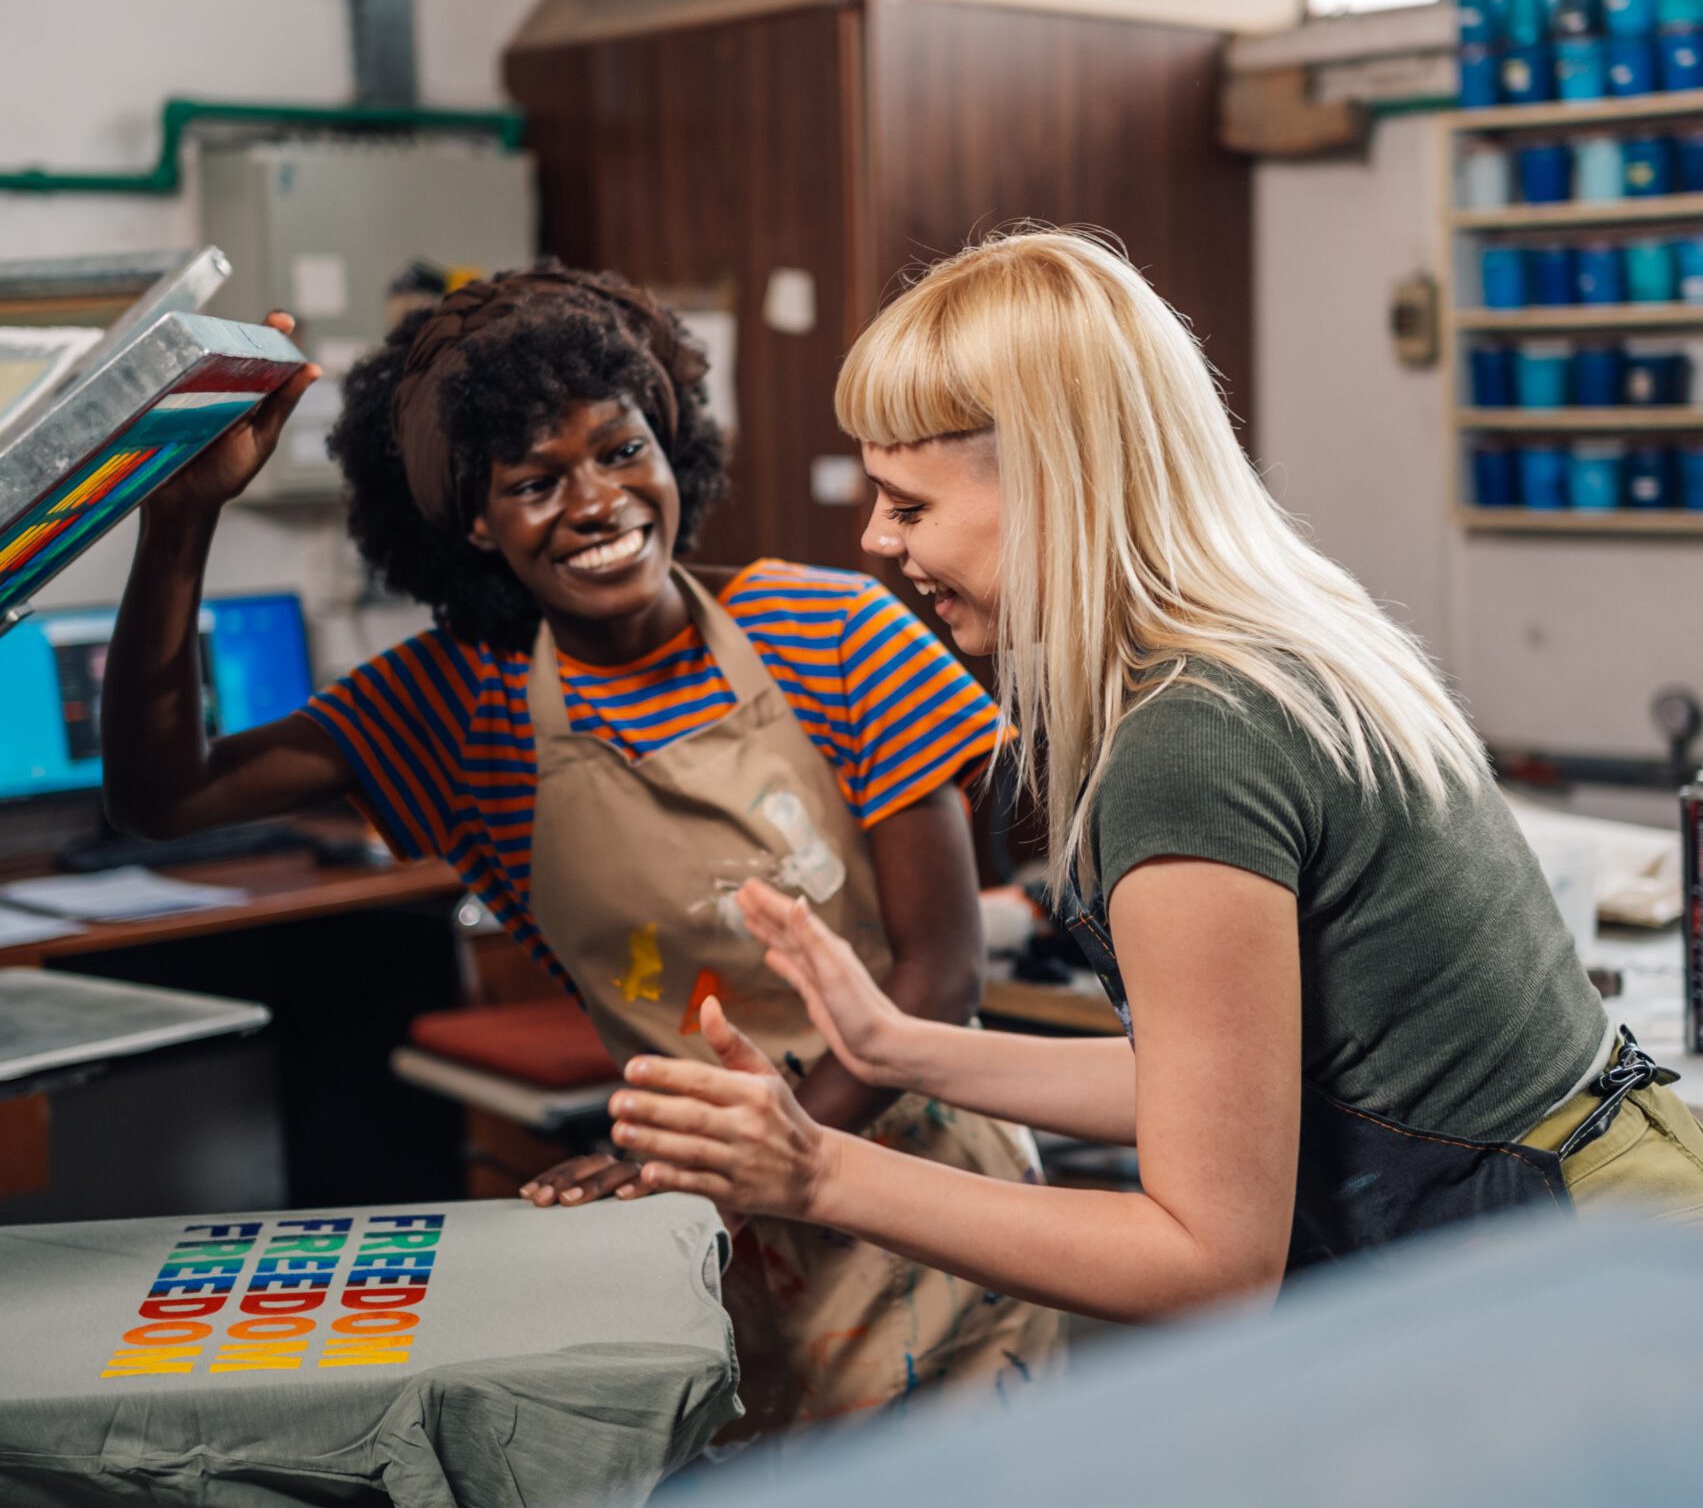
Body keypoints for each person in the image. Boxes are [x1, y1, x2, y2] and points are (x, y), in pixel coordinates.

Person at [604, 228, 1703, 1324]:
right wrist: (900, 1047)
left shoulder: (1189, 741)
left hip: (1571, 1285)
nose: (876, 539)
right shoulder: (1271, 633)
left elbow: (1206, 1261)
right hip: (1611, 1225)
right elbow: (1218, 1086)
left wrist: (816, 1172)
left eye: (909, 505)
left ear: (1050, 483)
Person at [100, 261, 1061, 1426]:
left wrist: (744, 1155)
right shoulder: (459, 709)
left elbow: (938, 975)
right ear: (473, 519)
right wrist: (179, 510)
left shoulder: (829, 627)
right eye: (533, 480)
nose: (597, 499)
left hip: (925, 1194)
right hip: (703, 1232)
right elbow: (164, 792)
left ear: (670, 445)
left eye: (620, 449)